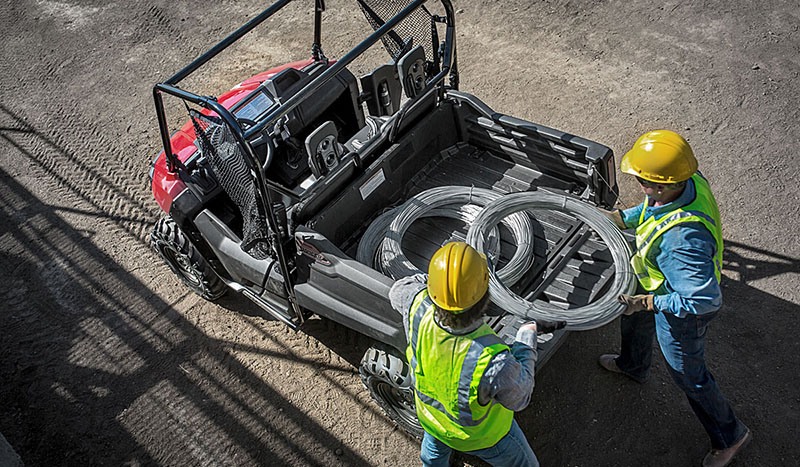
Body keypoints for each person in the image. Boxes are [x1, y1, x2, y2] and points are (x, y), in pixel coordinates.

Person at [598, 130, 750, 467]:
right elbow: (653, 209)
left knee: (688, 374)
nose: (639, 184)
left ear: (663, 184)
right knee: (634, 318)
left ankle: (730, 435)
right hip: (658, 283)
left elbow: (703, 301)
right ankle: (633, 366)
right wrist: (624, 218)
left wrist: (653, 303)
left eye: (642, 180)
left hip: (680, 306)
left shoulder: (683, 243)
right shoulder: (688, 178)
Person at [389, 241, 563, 467]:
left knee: (432, 458)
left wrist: (441, 282)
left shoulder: (415, 303)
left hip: (431, 417)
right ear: (485, 298)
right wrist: (527, 334)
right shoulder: (493, 360)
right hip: (480, 438)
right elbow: (520, 397)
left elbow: (398, 290)